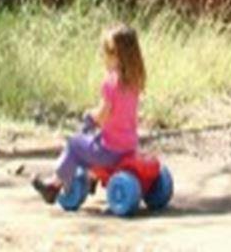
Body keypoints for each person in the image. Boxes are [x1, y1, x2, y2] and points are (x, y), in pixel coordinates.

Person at [32, 25, 146, 203]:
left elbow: (102, 116)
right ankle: (92, 177)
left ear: (117, 55)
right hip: (129, 146)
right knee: (96, 138)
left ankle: (54, 185)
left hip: (111, 150)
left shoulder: (111, 83)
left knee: (75, 145)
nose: (103, 58)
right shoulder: (134, 81)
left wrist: (91, 115)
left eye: (106, 53)